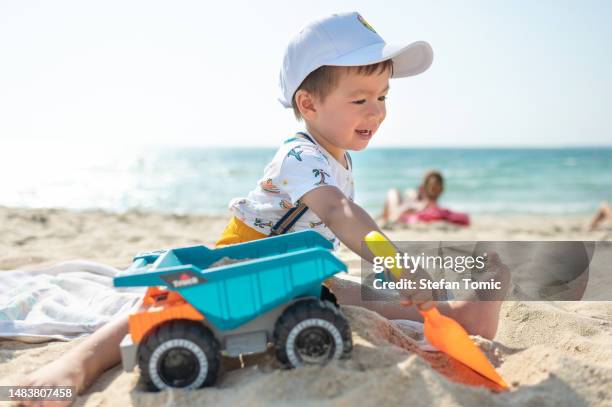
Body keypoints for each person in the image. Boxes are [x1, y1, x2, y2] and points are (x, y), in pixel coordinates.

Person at [19, 12, 507, 398]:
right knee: (168, 305)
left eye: (382, 95)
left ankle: (462, 317)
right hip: (239, 266)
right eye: (359, 99)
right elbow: (341, 214)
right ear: (309, 104)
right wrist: (395, 261)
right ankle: (75, 364)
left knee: (366, 297)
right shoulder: (299, 155)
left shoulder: (336, 156)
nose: (377, 110)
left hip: (299, 274)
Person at [382, 170, 470, 226]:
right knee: (395, 192)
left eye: (436, 188)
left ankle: (383, 219)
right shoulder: (420, 200)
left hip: (399, 211)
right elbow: (402, 212)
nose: (434, 191)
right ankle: (383, 218)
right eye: (432, 188)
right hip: (398, 210)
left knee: (395, 192)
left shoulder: (430, 205)